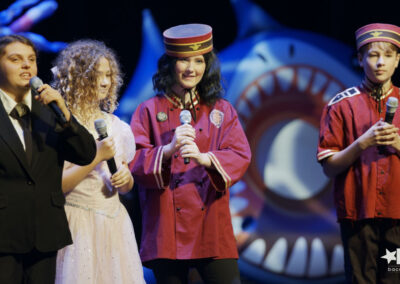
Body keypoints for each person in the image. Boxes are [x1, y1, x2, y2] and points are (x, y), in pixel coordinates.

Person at [130, 23, 251, 284]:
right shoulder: (148, 111)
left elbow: (240, 154)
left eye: (199, 61)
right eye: (184, 60)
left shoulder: (222, 110)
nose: (191, 68)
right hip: (166, 225)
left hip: (211, 223)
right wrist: (167, 150)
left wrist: (206, 158)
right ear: (170, 64)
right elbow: (135, 162)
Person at [0, 34, 96, 284]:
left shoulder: (50, 109)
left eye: (31, 59)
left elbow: (86, 154)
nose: (26, 65)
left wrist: (65, 113)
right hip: (3, 234)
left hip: (44, 233)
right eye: (15, 59)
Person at [52, 40, 145, 284]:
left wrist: (127, 180)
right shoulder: (63, 126)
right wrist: (96, 156)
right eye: (96, 75)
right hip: (78, 224)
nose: (105, 82)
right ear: (79, 78)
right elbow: (57, 185)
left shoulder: (118, 127)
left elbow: (125, 185)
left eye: (108, 75)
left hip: (114, 224)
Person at [317, 23, 400, 283]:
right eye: (373, 55)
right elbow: (329, 166)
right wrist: (361, 143)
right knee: (361, 279)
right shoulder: (341, 105)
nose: (380, 63)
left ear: (397, 60)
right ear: (360, 59)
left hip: (397, 216)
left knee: (393, 278)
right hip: (357, 213)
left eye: (387, 55)